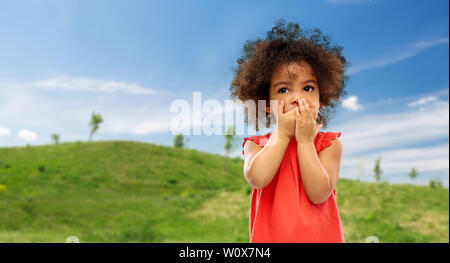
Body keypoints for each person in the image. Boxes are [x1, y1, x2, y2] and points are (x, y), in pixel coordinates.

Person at [230, 19, 349, 243]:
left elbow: (319, 193)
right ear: (266, 103)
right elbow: (257, 178)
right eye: (284, 89)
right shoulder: (255, 144)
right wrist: (283, 135)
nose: (298, 97)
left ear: (321, 98)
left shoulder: (329, 144)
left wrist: (305, 142)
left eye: (308, 87)